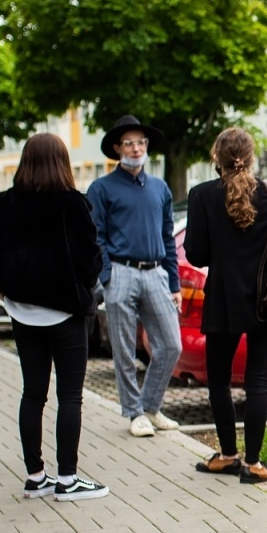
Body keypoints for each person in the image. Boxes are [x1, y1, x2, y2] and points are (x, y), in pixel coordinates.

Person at [0, 133, 108, 502]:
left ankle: (36, 476)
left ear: (25, 162)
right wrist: (79, 285)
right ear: (62, 163)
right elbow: (91, 260)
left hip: (22, 313)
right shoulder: (73, 204)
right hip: (66, 314)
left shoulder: (6, 203)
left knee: (33, 394)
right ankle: (69, 479)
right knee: (70, 395)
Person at [184, 128, 267, 483]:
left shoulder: (201, 195)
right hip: (266, 299)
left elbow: (196, 253)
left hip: (223, 300)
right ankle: (255, 465)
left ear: (217, 158)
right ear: (251, 155)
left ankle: (228, 455)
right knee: (258, 382)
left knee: (219, 381)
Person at [87, 114, 182, 438]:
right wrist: (108, 276)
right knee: (125, 350)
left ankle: (151, 407)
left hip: (155, 272)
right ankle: (133, 413)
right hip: (121, 273)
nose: (136, 148)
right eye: (129, 143)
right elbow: (94, 235)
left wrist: (173, 281)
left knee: (171, 345)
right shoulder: (101, 188)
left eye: (141, 142)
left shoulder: (159, 187)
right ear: (117, 148)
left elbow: (168, 236)